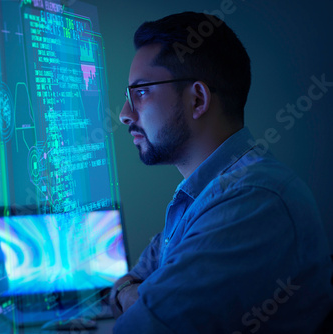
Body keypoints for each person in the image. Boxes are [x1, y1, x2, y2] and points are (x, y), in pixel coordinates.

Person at [110, 11, 333, 333]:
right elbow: (135, 278)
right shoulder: (201, 195)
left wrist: (130, 295)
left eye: (141, 92)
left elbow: (142, 328)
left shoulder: (253, 200)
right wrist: (131, 291)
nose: (124, 114)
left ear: (197, 99)